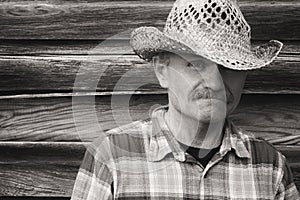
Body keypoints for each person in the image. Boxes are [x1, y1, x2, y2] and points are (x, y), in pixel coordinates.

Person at [71, 0, 300, 199]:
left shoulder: (270, 168)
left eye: (229, 67)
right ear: (162, 71)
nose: (214, 83)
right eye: (195, 65)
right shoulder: (111, 158)